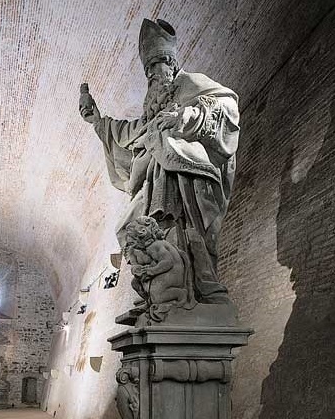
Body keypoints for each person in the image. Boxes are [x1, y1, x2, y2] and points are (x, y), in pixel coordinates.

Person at [80, 19, 240, 304]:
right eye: (147, 70)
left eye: (155, 66)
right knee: (130, 227)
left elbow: (226, 108)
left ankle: (200, 286)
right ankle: (156, 290)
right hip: (153, 179)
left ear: (171, 64)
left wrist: (184, 117)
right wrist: (98, 121)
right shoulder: (153, 105)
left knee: (185, 228)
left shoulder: (190, 84)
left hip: (183, 174)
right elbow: (131, 133)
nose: (151, 75)